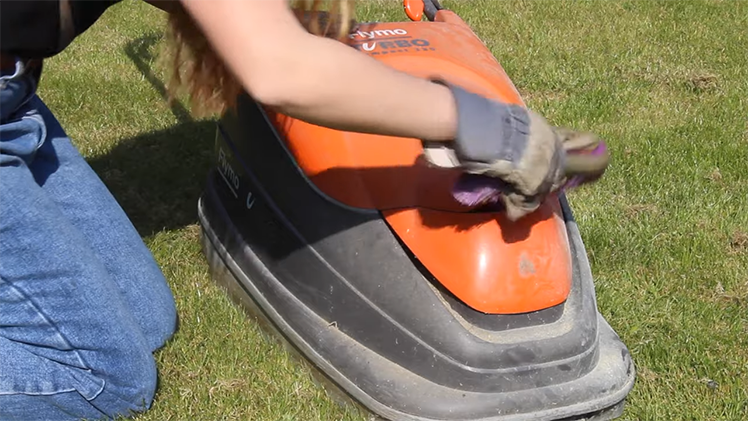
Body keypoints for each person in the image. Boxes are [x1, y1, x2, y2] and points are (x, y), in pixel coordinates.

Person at [0, 0, 596, 419]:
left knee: (145, 314)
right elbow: (282, 71)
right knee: (101, 376)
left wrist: (288, 24)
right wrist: (489, 127)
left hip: (15, 102)